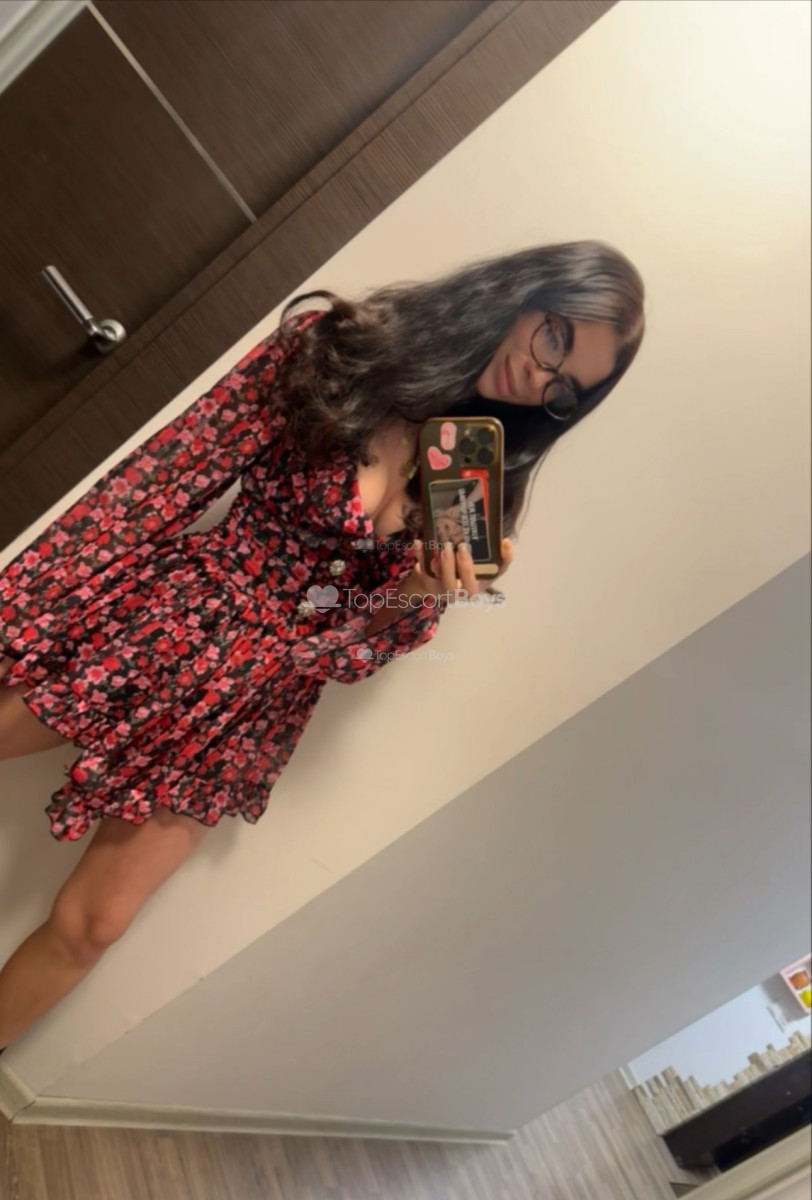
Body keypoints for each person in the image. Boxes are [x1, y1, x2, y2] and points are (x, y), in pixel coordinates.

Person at [0, 239, 645, 1053]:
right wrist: (25, 605)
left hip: (255, 707)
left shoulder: (476, 477)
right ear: (523, 292)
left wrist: (420, 590)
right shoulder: (341, 351)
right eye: (555, 338)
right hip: (169, 624)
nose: (539, 374)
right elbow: (163, 481)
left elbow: (357, 647)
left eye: (565, 388)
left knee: (95, 924)